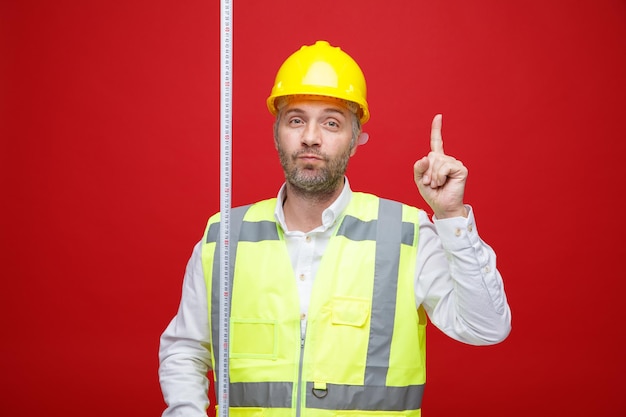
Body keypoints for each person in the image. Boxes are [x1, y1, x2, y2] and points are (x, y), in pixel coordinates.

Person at [158, 40, 511, 417]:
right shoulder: (224, 236)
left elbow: (486, 328)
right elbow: (186, 349)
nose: (311, 137)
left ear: (357, 140)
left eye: (331, 122)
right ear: (277, 132)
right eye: (296, 119)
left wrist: (451, 215)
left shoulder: (406, 234)